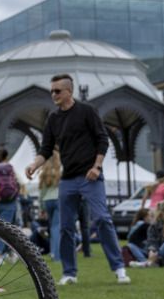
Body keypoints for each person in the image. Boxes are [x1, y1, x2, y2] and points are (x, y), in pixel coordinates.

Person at [25, 74, 130, 285]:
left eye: (57, 91)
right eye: (51, 91)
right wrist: (34, 165)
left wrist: (97, 167)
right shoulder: (53, 119)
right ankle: (69, 273)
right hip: (68, 180)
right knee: (65, 227)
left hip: (91, 176)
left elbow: (103, 140)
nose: (53, 94)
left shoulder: (86, 111)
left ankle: (119, 268)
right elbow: (45, 149)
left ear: (69, 92)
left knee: (101, 219)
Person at [37, 152, 63, 261]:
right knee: (57, 228)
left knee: (52, 227)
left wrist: (41, 208)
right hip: (58, 200)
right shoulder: (60, 171)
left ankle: (53, 252)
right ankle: (57, 256)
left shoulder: (44, 173)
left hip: (47, 201)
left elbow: (41, 193)